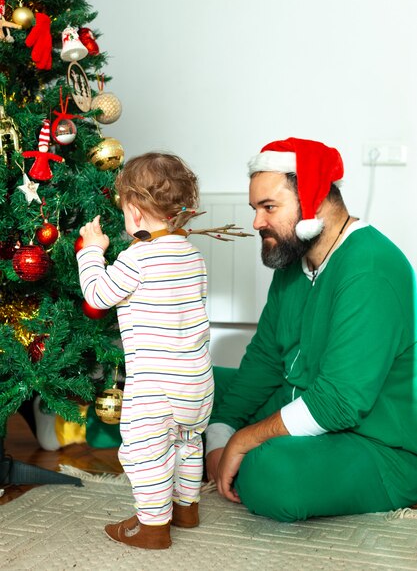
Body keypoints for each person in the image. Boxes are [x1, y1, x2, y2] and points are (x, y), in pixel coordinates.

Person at [205, 137, 417, 523]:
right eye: (256, 208)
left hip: (371, 442)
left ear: (315, 200)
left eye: (269, 207)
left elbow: (339, 403)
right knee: (186, 385)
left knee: (274, 473)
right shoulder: (293, 262)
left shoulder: (371, 269)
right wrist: (219, 438)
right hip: (297, 405)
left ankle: (237, 460)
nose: (257, 222)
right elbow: (266, 360)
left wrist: (242, 440)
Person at [76, 152, 214, 549]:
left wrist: (91, 250)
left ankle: (153, 526)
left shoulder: (136, 257)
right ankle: (186, 507)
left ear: (134, 212)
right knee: (187, 441)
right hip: (197, 381)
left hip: (155, 385)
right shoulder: (193, 256)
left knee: (143, 449)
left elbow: (98, 295)